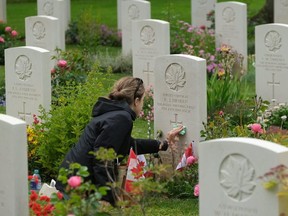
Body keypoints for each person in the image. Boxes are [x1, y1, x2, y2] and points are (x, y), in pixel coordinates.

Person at [56, 76, 183, 205]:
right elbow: (102, 157)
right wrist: (107, 198)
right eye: (143, 100)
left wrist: (162, 144)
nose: (142, 104)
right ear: (136, 101)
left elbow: (128, 144)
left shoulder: (115, 113)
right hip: (79, 184)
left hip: (73, 177)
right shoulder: (121, 118)